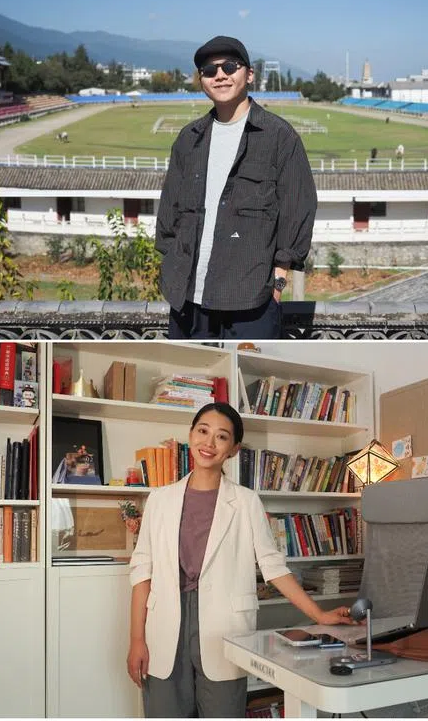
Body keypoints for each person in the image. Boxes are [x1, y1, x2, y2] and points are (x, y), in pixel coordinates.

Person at [127, 403, 357, 717]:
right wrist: (137, 640)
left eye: (221, 437)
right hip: (165, 626)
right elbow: (142, 572)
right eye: (203, 431)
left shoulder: (247, 502)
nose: (209, 443)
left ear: (234, 449)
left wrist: (319, 614)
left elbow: (273, 566)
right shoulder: (159, 500)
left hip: (224, 627)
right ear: (191, 435)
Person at [155, 36, 316, 340]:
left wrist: (278, 285)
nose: (220, 75)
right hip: (188, 301)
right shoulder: (188, 139)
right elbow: (169, 215)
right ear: (201, 80)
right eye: (209, 70)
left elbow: (298, 210)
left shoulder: (279, 137)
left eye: (230, 66)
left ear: (249, 75)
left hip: (251, 302)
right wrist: (171, 267)